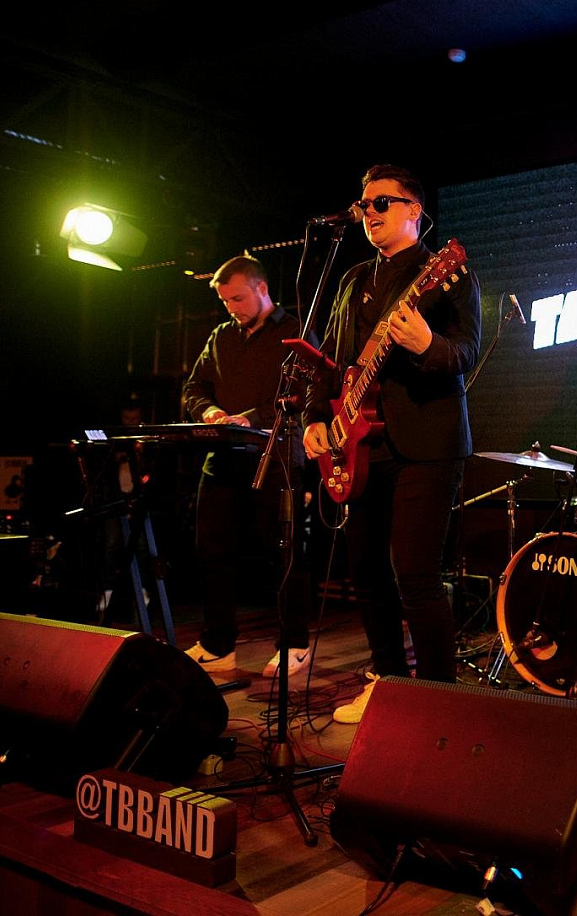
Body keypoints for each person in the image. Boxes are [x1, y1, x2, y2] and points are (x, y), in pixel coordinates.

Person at [303, 164, 481, 723]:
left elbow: (465, 352)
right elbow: (332, 361)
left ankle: (438, 700)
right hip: (359, 443)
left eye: (382, 202)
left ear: (414, 211)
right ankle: (386, 681)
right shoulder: (353, 279)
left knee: (416, 574)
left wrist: (427, 344)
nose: (369, 213)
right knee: (365, 571)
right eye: (364, 204)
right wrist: (315, 418)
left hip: (427, 442)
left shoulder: (445, 271)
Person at [181, 255, 315, 678]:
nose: (231, 308)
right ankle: (218, 644)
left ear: (262, 289)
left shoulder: (296, 331)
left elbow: (304, 392)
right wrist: (210, 412)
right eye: (225, 301)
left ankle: (294, 643)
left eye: (237, 298)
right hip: (223, 457)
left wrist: (251, 418)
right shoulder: (221, 336)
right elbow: (193, 388)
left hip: (276, 456)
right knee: (212, 550)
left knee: (283, 552)